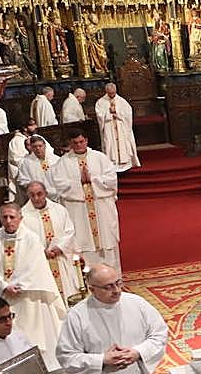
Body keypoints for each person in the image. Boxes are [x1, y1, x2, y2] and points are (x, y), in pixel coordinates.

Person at [57, 263, 168, 374]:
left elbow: (159, 334)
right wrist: (101, 360)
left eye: (118, 283)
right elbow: (66, 356)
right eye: (108, 287)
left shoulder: (137, 303)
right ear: (91, 289)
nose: (116, 290)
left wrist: (137, 352)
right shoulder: (77, 316)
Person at [0, 203, 65, 368]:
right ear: (0, 218)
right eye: (4, 217)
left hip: (28, 294)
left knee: (33, 332)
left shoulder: (31, 238)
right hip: (4, 294)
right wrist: (3, 285)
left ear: (20, 218)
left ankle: (41, 364)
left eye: (12, 217)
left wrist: (17, 285)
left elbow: (33, 266)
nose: (8, 221)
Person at [52, 129, 121, 270]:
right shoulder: (63, 162)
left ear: (86, 141)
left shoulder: (100, 157)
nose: (78, 145)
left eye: (81, 142)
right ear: (70, 144)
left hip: (101, 207)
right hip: (79, 211)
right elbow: (60, 185)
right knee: (83, 242)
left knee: (107, 241)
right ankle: (89, 280)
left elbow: (112, 180)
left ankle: (113, 276)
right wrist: (79, 183)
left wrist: (92, 180)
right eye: (75, 143)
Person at [21, 181, 81, 306]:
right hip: (40, 263)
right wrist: (42, 251)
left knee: (69, 292)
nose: (36, 198)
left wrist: (59, 247)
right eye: (32, 195)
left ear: (46, 193)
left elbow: (69, 231)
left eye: (39, 194)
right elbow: (24, 239)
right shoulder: (23, 216)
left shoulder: (59, 210)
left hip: (60, 259)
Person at [94, 83, 141, 173]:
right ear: (106, 92)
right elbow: (99, 115)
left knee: (123, 144)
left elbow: (128, 114)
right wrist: (109, 114)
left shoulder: (122, 101)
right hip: (108, 127)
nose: (112, 95)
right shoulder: (100, 102)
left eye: (113, 93)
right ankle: (111, 164)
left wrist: (117, 113)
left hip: (121, 127)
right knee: (110, 145)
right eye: (110, 93)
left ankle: (125, 164)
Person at [7, 119, 52, 199]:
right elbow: (16, 160)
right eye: (32, 125)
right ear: (25, 128)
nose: (36, 127)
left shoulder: (38, 138)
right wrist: (31, 158)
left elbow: (50, 151)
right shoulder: (16, 141)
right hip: (29, 174)